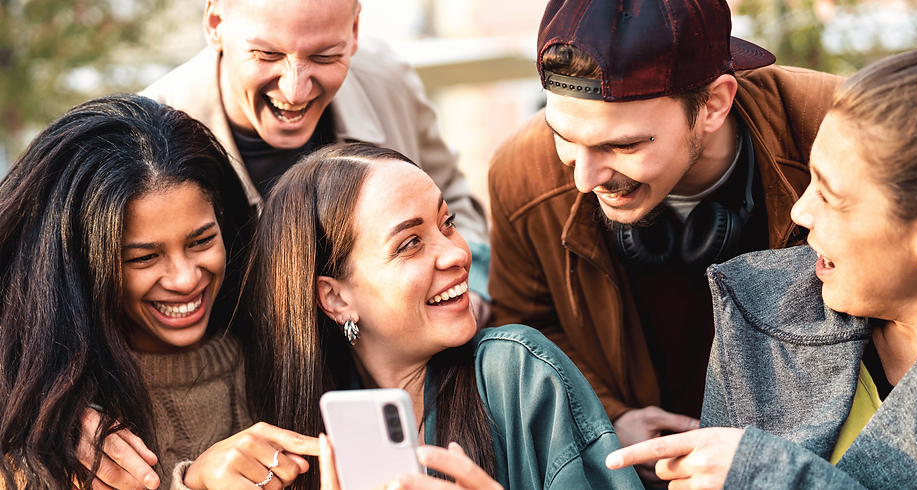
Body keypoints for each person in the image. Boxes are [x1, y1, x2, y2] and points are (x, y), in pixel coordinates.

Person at [486, 0, 842, 480]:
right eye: (564, 136)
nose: (584, 179)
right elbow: (530, 326)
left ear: (714, 103)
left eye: (623, 145)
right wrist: (606, 419)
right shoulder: (520, 173)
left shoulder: (841, 131)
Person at [605, 45, 917, 489]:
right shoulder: (755, 309)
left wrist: (774, 477)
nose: (800, 213)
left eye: (829, 196)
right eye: (809, 182)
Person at [240, 142, 644, 490]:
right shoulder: (295, 443)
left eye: (447, 223)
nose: (458, 253)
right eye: (410, 243)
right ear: (335, 298)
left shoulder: (518, 375)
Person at [0, 93, 319, 490]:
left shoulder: (289, 348)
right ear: (81, 267)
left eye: (201, 241)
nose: (185, 279)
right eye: (144, 257)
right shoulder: (47, 430)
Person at [140, 0, 492, 319]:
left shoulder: (388, 77)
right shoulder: (139, 139)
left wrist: (470, 288)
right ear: (215, 22)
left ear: (354, 30)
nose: (295, 90)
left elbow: (452, 196)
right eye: (266, 54)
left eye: (325, 56)